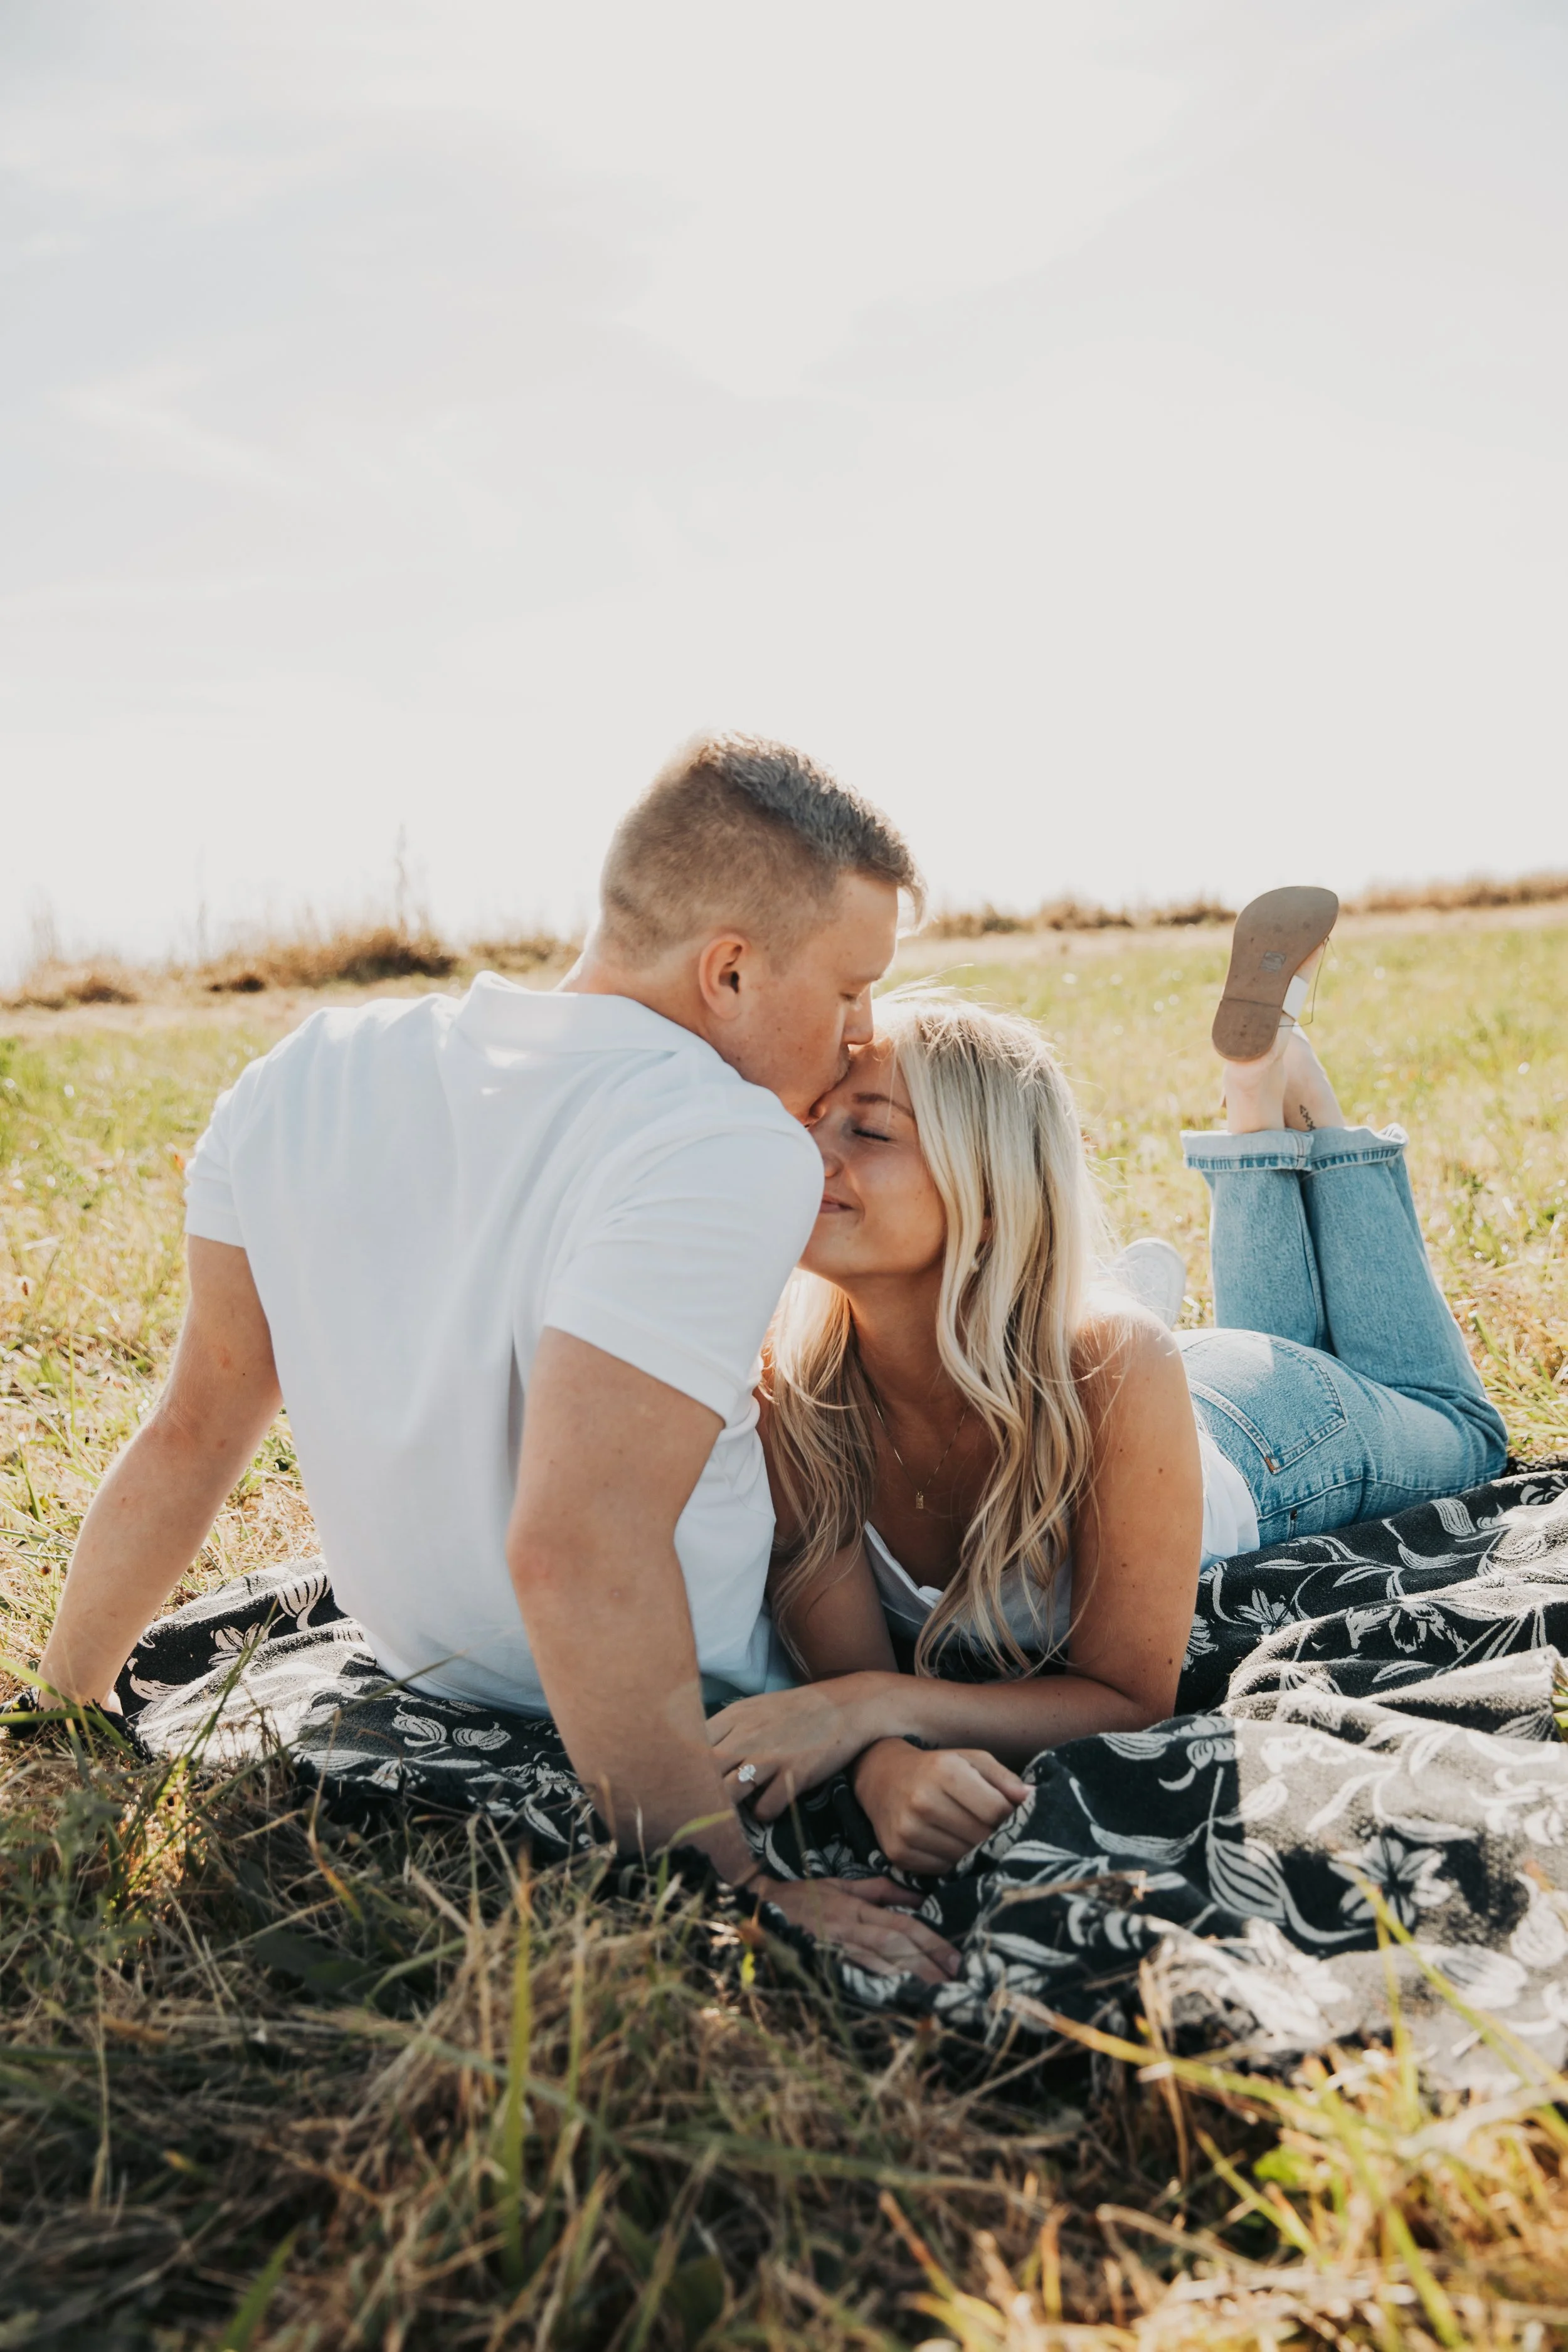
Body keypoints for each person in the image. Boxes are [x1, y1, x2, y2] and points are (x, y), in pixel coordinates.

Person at [34, 733, 960, 1984]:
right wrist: (730, 1884)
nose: (859, 1040)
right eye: (850, 991)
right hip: (702, 1721)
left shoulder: (300, 1071)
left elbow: (196, 1428)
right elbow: (576, 1543)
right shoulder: (724, 1141)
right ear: (729, 972)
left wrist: (63, 1710)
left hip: (425, 1667)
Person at [707, 888, 1509, 1874]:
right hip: (1155, 1392)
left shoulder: (1115, 1364)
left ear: (993, 1195)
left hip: (1276, 1439)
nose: (807, 1153)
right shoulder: (793, 1392)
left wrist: (875, 1709)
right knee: (1264, 1334)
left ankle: (1292, 1103)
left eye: (866, 1133)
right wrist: (881, 1763)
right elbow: (850, 1687)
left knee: (1460, 1427)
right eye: (810, 1120)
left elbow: (1130, 1698)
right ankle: (1258, 1092)